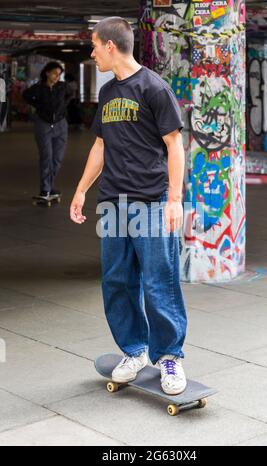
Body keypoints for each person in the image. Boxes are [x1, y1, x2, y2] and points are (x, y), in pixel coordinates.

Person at [70, 17, 188, 395]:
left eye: (93, 45)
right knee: (117, 282)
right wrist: (81, 189)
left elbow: (175, 146)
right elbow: (100, 146)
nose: (91, 53)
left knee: (159, 283)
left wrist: (173, 199)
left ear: (109, 45)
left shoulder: (154, 88)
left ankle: (169, 357)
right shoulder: (106, 94)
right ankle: (134, 350)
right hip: (114, 206)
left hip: (152, 203)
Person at [23, 62, 72, 198]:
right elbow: (26, 95)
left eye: (59, 74)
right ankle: (45, 189)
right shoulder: (38, 88)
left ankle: (48, 186)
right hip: (43, 125)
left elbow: (70, 95)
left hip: (61, 125)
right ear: (47, 73)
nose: (57, 76)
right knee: (46, 157)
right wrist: (39, 106)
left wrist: (62, 108)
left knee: (57, 158)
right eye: (55, 73)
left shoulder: (62, 87)